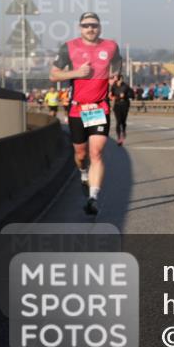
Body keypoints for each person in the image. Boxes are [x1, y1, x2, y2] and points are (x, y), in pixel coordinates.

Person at [49, 12, 123, 216]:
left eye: (94, 25)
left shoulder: (110, 46)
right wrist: (75, 73)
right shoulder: (69, 47)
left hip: (99, 107)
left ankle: (93, 197)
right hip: (77, 109)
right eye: (86, 25)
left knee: (96, 152)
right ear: (80, 28)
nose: (90, 28)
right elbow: (53, 74)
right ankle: (83, 172)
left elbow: (117, 63)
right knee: (81, 155)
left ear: (100, 27)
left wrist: (114, 76)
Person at [109, 73, 135, 145]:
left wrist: (125, 95)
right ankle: (119, 138)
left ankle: (123, 131)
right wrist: (111, 97)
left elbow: (132, 96)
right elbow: (111, 95)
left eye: (117, 78)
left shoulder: (126, 86)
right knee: (118, 121)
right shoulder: (114, 86)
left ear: (120, 79)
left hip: (125, 105)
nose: (116, 80)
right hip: (117, 105)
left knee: (123, 121)